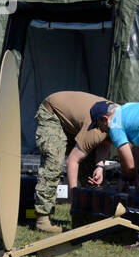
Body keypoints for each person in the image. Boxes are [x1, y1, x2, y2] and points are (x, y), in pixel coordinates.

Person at [89, 99, 139, 251]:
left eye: (99, 126)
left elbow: (129, 165)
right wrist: (131, 175)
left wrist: (129, 177)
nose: (102, 131)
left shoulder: (115, 125)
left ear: (105, 118)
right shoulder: (128, 109)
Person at [33, 91, 111, 233]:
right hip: (53, 113)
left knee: (90, 170)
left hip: (74, 124)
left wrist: (100, 166)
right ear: (105, 120)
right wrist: (74, 195)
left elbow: (105, 141)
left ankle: (85, 218)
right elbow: (73, 161)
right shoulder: (102, 122)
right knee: (54, 162)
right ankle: (42, 219)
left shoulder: (117, 119)